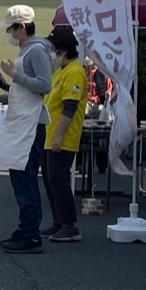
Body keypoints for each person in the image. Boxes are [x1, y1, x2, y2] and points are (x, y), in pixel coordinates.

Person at [0, 5, 53, 255]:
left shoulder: (36, 50)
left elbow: (44, 85)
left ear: (21, 27)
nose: (8, 32)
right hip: (24, 122)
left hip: (31, 125)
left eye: (11, 27)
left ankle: (31, 234)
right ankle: (27, 228)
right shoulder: (29, 49)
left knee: (25, 177)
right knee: (20, 176)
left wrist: (14, 76)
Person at [41, 30, 86, 244]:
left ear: (63, 49)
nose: (51, 52)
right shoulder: (60, 71)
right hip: (51, 134)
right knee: (51, 181)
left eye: (53, 48)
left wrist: (59, 135)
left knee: (59, 180)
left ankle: (70, 224)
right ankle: (59, 221)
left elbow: (70, 105)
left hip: (64, 136)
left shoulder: (75, 71)